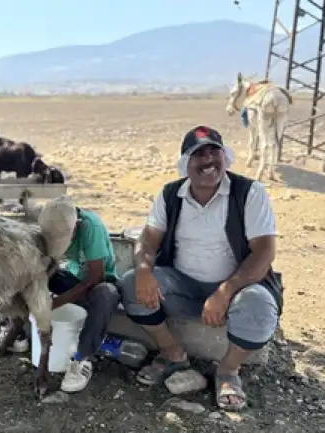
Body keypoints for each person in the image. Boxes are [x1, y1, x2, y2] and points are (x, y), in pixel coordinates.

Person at [119, 125, 283, 412]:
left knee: (259, 304)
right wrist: (144, 269)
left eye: (213, 151)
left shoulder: (248, 192)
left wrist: (225, 290)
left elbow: (264, 252)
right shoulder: (171, 195)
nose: (208, 161)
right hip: (182, 284)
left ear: (225, 156)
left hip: (236, 289)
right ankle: (172, 353)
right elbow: (148, 240)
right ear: (186, 164)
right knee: (132, 283)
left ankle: (228, 370)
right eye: (198, 155)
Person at [0, 206, 120, 393]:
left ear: (76, 226)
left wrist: (53, 304)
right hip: (72, 278)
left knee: (106, 294)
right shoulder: (51, 226)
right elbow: (48, 264)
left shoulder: (90, 228)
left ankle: (82, 358)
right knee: (27, 273)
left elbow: (96, 277)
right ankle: (16, 334)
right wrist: (39, 281)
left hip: (97, 284)